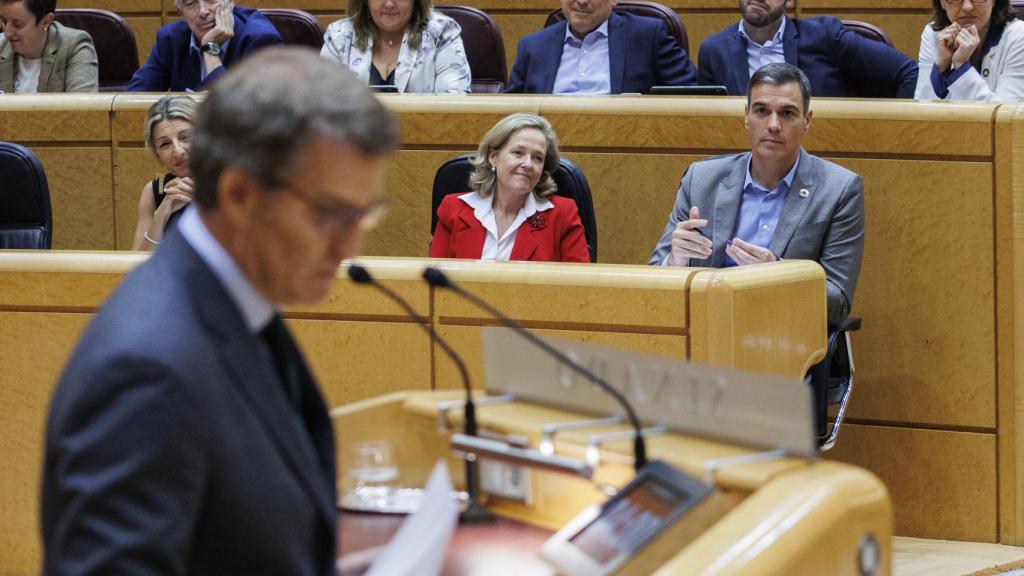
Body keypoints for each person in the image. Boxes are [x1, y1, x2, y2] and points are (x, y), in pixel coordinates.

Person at [41, 47, 399, 575]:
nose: (351, 247)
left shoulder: (236, 300)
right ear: (238, 195)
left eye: (362, 214)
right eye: (330, 214)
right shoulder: (146, 370)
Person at [650, 63, 863, 326]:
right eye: (762, 111)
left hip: (781, 335)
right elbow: (655, 279)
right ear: (746, 116)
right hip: (704, 330)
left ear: (806, 121)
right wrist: (676, 262)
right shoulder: (701, 179)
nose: (774, 125)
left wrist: (777, 276)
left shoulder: (839, 188)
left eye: (787, 113)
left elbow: (838, 300)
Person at [430, 112, 590, 262]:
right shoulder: (453, 209)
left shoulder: (562, 215)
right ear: (493, 157)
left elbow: (578, 286)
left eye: (537, 158)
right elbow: (434, 284)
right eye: (518, 153)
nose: (528, 164)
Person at [697, 0, 918, 98]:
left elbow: (907, 72)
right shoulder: (713, 50)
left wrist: (893, 136)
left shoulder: (826, 36)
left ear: (790, 2)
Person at [506, 0, 697, 94]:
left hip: (624, 143)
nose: (581, 1)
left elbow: (691, 94)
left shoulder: (648, 35)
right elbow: (509, 110)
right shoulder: (532, 45)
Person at [127, 0, 281, 92]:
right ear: (180, 11)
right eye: (191, 3)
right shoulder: (171, 39)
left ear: (230, 2)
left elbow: (237, 112)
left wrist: (209, 50)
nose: (203, 11)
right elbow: (133, 99)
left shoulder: (260, 40)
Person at [321, 0, 470, 93]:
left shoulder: (441, 32)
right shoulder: (340, 35)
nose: (389, 4)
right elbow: (322, 100)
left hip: (426, 136)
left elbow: (453, 101)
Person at [915, 0, 1023, 101]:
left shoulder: (1018, 36)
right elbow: (920, 112)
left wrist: (962, 67)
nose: (967, 7)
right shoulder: (933, 34)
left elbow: (1008, 116)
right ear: (942, 2)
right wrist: (941, 66)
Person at [132, 95, 198, 251]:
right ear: (157, 156)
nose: (178, 151)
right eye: (165, 144)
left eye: (185, 137)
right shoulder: (156, 191)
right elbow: (137, 265)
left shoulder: (231, 181)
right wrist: (161, 215)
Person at [0, 0, 97, 93]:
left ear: (46, 21)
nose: (7, 33)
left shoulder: (75, 47)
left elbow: (81, 107)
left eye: (17, 24)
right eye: (4, 21)